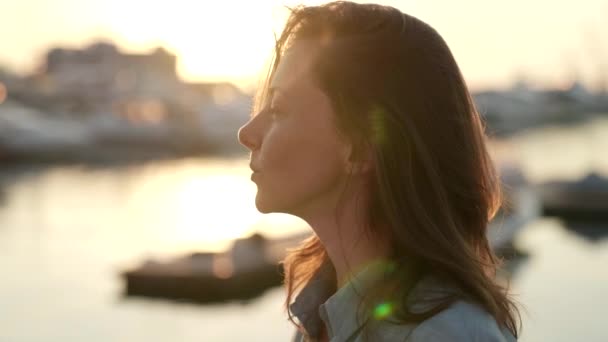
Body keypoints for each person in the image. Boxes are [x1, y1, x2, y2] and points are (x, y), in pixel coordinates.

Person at [238, 1, 521, 341]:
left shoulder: (446, 334)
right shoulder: (322, 312)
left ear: (360, 146)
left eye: (279, 108)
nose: (247, 133)